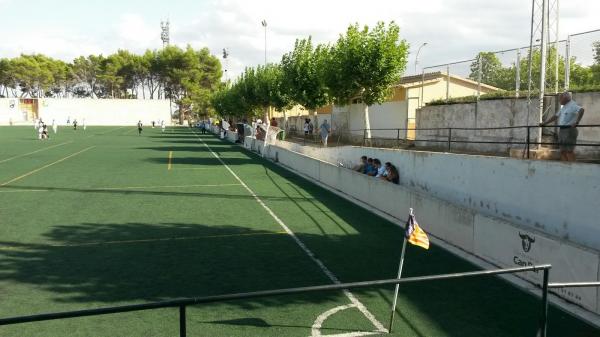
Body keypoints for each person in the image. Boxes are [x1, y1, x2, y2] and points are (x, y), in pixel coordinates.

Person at [540, 92, 585, 162]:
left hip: (569, 130)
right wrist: (545, 123)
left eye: (560, 98)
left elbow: (581, 110)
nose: (559, 100)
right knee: (562, 150)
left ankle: (572, 167)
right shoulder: (564, 107)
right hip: (562, 130)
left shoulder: (572, 105)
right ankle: (565, 166)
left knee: (569, 150)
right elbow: (555, 116)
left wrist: (577, 122)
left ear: (565, 98)